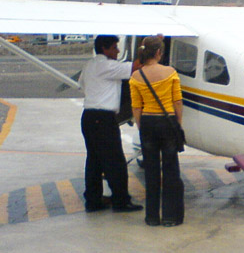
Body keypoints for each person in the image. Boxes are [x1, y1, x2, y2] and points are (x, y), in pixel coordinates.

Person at [78, 35, 142, 213]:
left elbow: (82, 85)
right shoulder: (107, 65)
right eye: (114, 47)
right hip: (103, 119)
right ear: (104, 49)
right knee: (115, 161)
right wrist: (150, 47)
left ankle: (93, 200)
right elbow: (136, 66)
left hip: (89, 116)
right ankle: (121, 201)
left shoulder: (90, 65)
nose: (118, 51)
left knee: (94, 161)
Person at [130, 36, 185, 227]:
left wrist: (141, 126)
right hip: (167, 122)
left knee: (151, 171)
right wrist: (178, 124)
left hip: (147, 122)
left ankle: (152, 216)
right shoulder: (170, 72)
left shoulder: (136, 76)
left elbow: (136, 107)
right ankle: (170, 217)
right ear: (159, 52)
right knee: (170, 170)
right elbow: (177, 101)